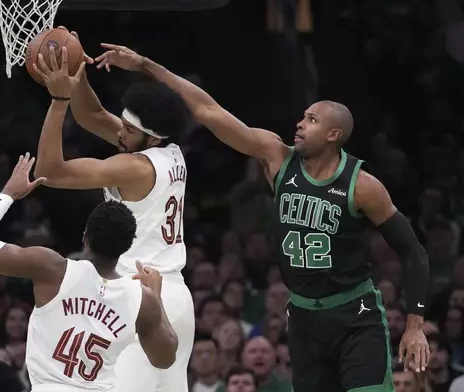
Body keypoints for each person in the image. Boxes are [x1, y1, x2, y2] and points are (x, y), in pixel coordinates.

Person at [94, 45, 431, 392]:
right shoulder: (276, 157)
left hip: (354, 312)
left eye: (312, 120)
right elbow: (208, 110)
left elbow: (412, 251)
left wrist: (415, 323)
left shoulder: (362, 186)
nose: (300, 123)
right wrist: (146, 65)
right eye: (303, 116)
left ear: (334, 135)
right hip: (302, 315)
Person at [30, 29, 195, 392]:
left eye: (129, 130)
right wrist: (78, 71)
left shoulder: (135, 168)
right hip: (176, 295)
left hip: (141, 296)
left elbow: (49, 171)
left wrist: (59, 99)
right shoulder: (169, 151)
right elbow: (92, 115)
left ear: (150, 138)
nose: (120, 132)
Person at [0, 154, 179, 391]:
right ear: (127, 247)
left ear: (85, 236)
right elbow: (164, 359)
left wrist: (8, 194)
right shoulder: (142, 300)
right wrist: (155, 295)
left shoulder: (52, 268)